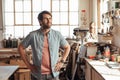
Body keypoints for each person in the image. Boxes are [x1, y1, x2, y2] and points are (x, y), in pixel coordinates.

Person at [18, 11, 70, 80]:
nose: (49, 21)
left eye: (50, 18)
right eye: (46, 19)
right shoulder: (33, 35)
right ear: (40, 21)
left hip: (54, 74)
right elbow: (21, 47)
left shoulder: (57, 35)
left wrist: (62, 62)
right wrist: (28, 65)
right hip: (37, 75)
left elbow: (67, 47)